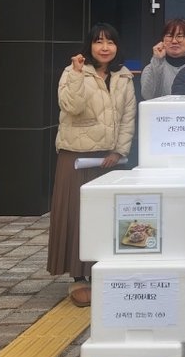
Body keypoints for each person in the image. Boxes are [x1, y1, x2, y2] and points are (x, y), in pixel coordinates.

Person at [48, 23, 136, 307]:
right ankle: (78, 277)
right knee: (76, 214)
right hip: (76, 157)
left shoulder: (123, 76)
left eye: (110, 42)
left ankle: (104, 272)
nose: (105, 47)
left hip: (108, 158)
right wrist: (76, 75)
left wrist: (119, 151)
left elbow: (128, 118)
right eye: (99, 42)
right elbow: (71, 107)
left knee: (106, 216)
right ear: (89, 46)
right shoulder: (73, 72)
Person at [140, 18, 185, 100]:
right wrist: (157, 60)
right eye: (169, 36)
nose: (174, 41)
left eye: (180, 36)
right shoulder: (151, 68)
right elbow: (148, 96)